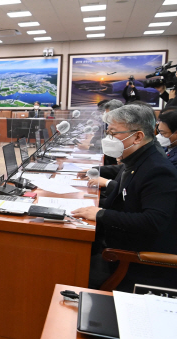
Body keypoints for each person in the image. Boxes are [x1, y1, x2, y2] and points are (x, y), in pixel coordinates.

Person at [71, 104, 177, 291]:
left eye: (114, 133)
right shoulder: (137, 158)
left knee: (68, 269)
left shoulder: (158, 170)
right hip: (116, 245)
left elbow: (153, 221)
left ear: (137, 136)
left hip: (130, 260)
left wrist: (101, 214)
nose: (108, 139)